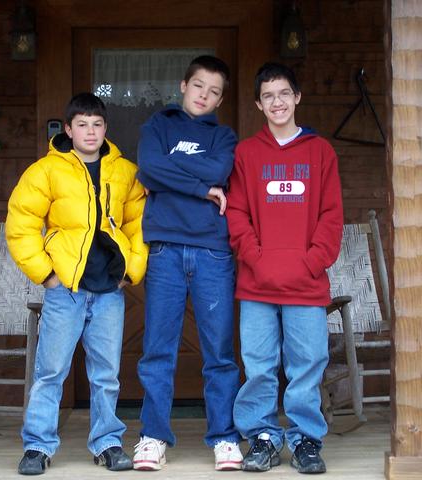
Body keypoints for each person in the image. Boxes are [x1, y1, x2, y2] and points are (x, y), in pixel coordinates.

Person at [5, 93, 148, 475]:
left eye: (97, 124)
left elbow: (139, 223)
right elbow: (20, 226)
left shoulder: (124, 172)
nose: (90, 131)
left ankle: (108, 443)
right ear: (68, 130)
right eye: (82, 124)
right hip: (65, 290)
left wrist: (130, 272)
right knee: (50, 371)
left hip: (108, 292)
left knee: (105, 374)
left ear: (105, 129)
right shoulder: (46, 171)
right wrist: (46, 275)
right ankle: (37, 445)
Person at [226, 62, 343, 474]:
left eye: (284, 94)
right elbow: (236, 214)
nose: (277, 102)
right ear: (259, 104)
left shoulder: (320, 152)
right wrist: (257, 260)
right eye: (268, 96)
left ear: (297, 98)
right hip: (257, 284)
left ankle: (306, 440)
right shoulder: (247, 153)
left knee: (307, 363)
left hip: (306, 284)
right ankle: (262, 437)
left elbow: (331, 217)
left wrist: (311, 263)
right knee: (258, 366)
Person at [132, 55, 243, 471]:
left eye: (215, 92)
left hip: (213, 252)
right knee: (158, 349)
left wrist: (173, 171)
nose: (205, 96)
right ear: (184, 85)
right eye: (199, 86)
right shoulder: (157, 127)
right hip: (165, 250)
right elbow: (148, 167)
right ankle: (153, 435)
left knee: (219, 350)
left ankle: (224, 437)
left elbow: (217, 167)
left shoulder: (224, 137)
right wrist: (201, 187)